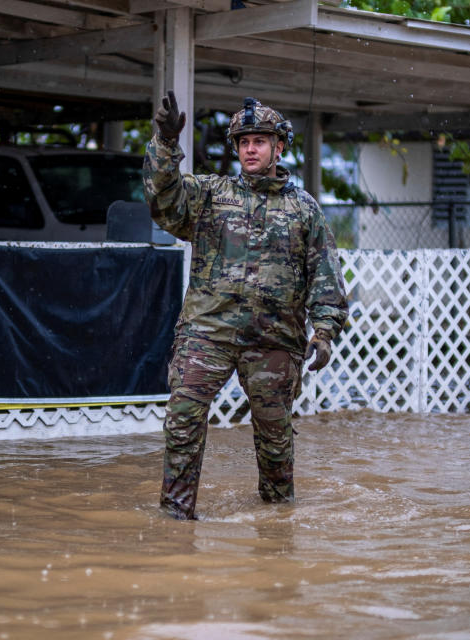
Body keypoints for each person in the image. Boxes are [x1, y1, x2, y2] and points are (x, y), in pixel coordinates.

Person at [143, 92, 349, 520]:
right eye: (243, 142)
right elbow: (162, 201)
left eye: (259, 141)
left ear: (279, 147)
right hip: (207, 332)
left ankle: (277, 523)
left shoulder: (303, 209)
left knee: (275, 438)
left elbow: (325, 277)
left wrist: (325, 333)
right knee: (183, 419)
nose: (250, 149)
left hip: (274, 340)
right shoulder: (210, 194)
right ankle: (174, 521)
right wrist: (165, 143)